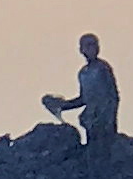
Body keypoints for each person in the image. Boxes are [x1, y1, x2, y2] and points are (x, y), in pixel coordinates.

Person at [41, 34, 120, 162]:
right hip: (91, 121)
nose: (92, 49)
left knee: (107, 154)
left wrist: (109, 117)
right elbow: (84, 99)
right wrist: (63, 105)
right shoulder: (83, 73)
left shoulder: (103, 68)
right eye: (88, 46)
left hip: (105, 121)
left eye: (94, 45)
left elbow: (113, 96)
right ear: (81, 50)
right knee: (93, 156)